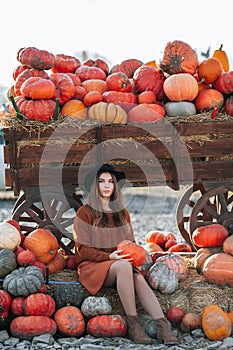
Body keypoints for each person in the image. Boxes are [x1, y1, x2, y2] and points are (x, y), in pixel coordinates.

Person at [73, 163, 179, 345]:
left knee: (137, 277)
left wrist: (134, 256)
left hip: (120, 265)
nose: (106, 185)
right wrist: (110, 257)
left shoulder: (122, 213)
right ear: (95, 186)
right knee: (124, 266)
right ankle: (133, 325)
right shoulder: (85, 213)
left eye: (110, 181)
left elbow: (131, 244)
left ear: (115, 186)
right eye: (101, 181)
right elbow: (82, 251)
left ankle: (163, 326)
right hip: (93, 266)